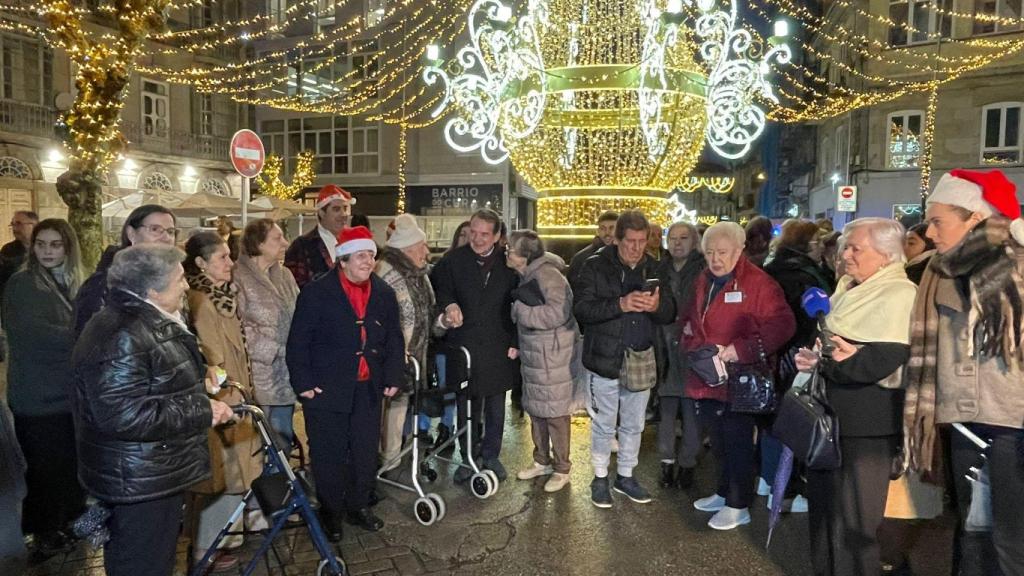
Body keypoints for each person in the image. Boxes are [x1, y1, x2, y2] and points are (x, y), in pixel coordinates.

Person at [72, 245, 234, 576]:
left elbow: (149, 383)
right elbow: (123, 414)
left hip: (149, 470)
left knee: (152, 559)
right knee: (142, 563)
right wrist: (200, 410)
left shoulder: (141, 321)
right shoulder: (123, 333)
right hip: (139, 479)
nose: (187, 285)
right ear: (151, 290)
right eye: (178, 280)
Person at [903, 169, 1024, 576]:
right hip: (963, 420)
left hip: (1012, 421)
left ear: (973, 217)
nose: (930, 231)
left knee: (1011, 533)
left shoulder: (1018, 266)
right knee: (972, 526)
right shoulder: (936, 272)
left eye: (938, 221)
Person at [792, 217, 917, 576]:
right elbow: (835, 344)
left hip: (867, 428)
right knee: (825, 512)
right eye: (845, 246)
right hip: (831, 419)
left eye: (855, 248)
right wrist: (812, 357)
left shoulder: (899, 294)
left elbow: (879, 361)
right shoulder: (847, 287)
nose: (844, 254)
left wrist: (829, 363)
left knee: (856, 521)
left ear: (885, 254)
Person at [287, 226, 403, 539]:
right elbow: (298, 342)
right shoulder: (316, 293)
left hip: (367, 388)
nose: (369, 261)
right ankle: (330, 512)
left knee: (365, 452)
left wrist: (393, 375)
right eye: (362, 256)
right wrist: (304, 383)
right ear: (343, 260)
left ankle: (358, 506)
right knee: (328, 454)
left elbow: (394, 338)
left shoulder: (383, 293)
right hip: (326, 389)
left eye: (372, 255)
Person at [681, 221, 795, 530]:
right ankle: (723, 492)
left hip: (741, 378)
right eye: (709, 252)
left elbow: (783, 325)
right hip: (707, 374)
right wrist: (693, 343)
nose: (715, 259)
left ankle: (738, 503)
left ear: (739, 250)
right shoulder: (704, 279)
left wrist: (739, 350)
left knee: (737, 442)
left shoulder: (759, 283)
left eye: (722, 252)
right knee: (718, 441)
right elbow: (691, 319)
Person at [574, 210, 675, 508]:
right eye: (630, 241)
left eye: (642, 241)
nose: (636, 247)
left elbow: (670, 311)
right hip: (605, 357)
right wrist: (620, 304)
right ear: (617, 239)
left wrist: (657, 306)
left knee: (634, 423)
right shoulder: (594, 266)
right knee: (604, 423)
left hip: (641, 354)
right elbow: (582, 310)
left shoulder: (655, 267)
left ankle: (627, 476)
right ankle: (600, 477)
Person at [2, 219, 86, 556]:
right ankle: (45, 531)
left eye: (55, 245)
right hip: (37, 396)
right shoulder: (24, 284)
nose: (48, 251)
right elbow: (39, 335)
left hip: (67, 396)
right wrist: (87, 335)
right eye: (41, 244)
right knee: (45, 468)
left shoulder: (71, 281)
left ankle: (68, 522)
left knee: (68, 465)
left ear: (68, 247)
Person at [183, 232, 262, 570]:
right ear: (201, 263)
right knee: (220, 478)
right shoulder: (201, 300)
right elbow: (212, 358)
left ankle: (222, 541)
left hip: (236, 398)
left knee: (233, 477)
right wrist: (231, 399)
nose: (231, 264)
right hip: (224, 405)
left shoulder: (223, 296)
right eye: (222, 258)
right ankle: (204, 550)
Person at [430, 209, 519, 483]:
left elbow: (521, 306)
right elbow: (439, 289)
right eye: (473, 232)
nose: (477, 239)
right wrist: (449, 304)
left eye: (484, 234)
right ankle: (467, 457)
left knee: (495, 405)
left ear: (497, 236)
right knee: (465, 405)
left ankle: (491, 455)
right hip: (464, 346)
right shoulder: (453, 261)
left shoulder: (510, 265)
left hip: (498, 345)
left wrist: (516, 342)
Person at [761, 220, 834, 510]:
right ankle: (786, 488)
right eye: (816, 242)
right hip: (799, 353)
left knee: (773, 417)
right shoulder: (805, 275)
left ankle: (768, 479)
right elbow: (815, 319)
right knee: (797, 417)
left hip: (775, 352)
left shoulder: (770, 269)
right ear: (805, 245)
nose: (820, 248)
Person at [506, 230, 579, 493]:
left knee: (556, 413)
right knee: (537, 408)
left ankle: (562, 468)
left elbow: (557, 313)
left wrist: (521, 311)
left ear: (525, 255)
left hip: (553, 355)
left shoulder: (549, 275)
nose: (507, 253)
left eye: (511, 249)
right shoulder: (529, 274)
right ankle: (542, 460)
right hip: (537, 354)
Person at [375, 214, 443, 475]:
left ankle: (398, 456)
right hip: (390, 356)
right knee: (387, 408)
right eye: (422, 246)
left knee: (403, 406)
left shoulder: (420, 274)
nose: (426, 251)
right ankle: (384, 460)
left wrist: (443, 322)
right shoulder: (383, 270)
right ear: (407, 248)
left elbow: (429, 312)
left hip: (415, 356)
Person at [234, 219, 300, 446]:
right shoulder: (238, 277)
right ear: (259, 244)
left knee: (283, 439)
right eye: (277, 238)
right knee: (259, 442)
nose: (285, 243)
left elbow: (299, 313)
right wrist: (277, 350)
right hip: (257, 375)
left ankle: (281, 481)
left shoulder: (285, 276)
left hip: (286, 374)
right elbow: (238, 329)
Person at [74, 204, 177, 334]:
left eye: (171, 232)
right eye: (155, 229)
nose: (166, 238)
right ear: (131, 234)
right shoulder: (103, 285)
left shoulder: (172, 280)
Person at [656, 222, 705, 490]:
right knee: (666, 411)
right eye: (672, 238)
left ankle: (687, 464)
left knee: (691, 412)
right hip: (664, 347)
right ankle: (666, 462)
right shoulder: (658, 269)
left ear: (694, 241)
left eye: (683, 238)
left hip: (691, 347)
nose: (677, 243)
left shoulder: (703, 270)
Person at [284, 184, 355, 288]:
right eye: (336, 209)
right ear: (321, 213)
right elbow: (293, 287)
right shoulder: (302, 246)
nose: (343, 214)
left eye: (345, 208)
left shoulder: (353, 243)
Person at [568, 211, 618, 291]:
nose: (607, 233)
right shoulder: (582, 258)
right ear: (597, 231)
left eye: (611, 228)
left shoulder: (628, 256)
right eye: (603, 228)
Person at [0, 210, 38, 297]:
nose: (14, 229)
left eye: (18, 224)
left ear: (34, 225)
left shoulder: (46, 247)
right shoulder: (8, 250)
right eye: (12, 224)